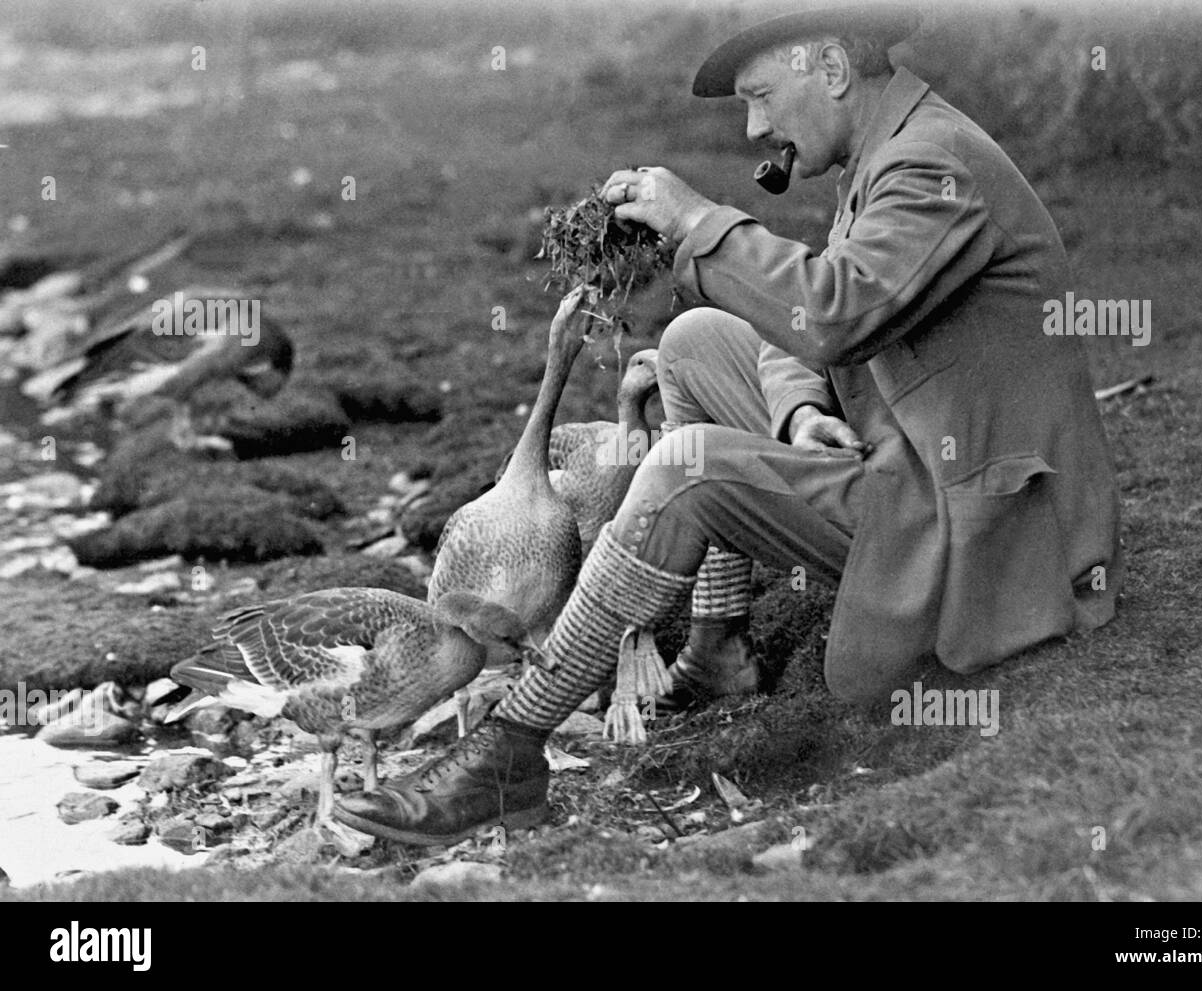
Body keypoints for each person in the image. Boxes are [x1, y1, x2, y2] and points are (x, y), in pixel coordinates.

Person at [336, 3, 1123, 846]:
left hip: (983, 526)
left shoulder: (933, 164)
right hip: (903, 447)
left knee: (685, 467)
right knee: (692, 342)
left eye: (759, 95)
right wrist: (801, 408)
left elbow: (833, 312)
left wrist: (695, 221)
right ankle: (717, 642)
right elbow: (828, 308)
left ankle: (511, 750)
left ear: (828, 68)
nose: (754, 126)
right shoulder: (891, 149)